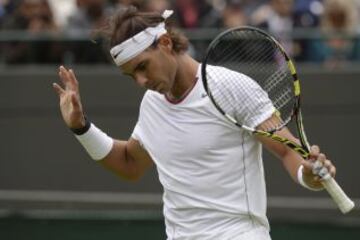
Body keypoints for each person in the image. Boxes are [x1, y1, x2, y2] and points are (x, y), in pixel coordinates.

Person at [52, 7, 337, 240]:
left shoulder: (230, 87)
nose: (141, 82)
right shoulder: (152, 104)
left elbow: (288, 150)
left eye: (142, 67)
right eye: (131, 76)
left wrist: (308, 174)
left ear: (165, 43)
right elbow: (130, 163)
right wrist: (81, 127)